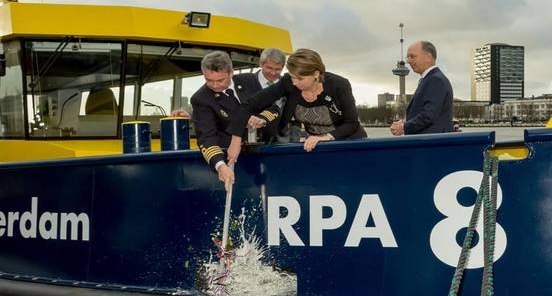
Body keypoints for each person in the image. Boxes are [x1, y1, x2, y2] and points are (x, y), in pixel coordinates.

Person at [226, 48, 367, 162]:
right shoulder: (288, 82)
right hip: (314, 146)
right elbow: (249, 105)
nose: (294, 83)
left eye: (300, 78)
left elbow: (352, 123)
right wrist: (235, 141)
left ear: (316, 74)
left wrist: (325, 137)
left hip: (348, 144)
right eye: (292, 77)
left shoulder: (339, 85)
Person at [191, 51, 278, 190]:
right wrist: (220, 165)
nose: (214, 85)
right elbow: (206, 138)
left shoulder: (250, 81)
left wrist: (261, 119)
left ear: (231, 73)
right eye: (208, 80)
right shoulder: (201, 99)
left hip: (265, 152)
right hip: (233, 159)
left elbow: (274, 109)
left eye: (220, 80)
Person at [390, 41, 453, 136]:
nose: (408, 61)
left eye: (412, 56)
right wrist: (405, 122)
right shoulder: (430, 79)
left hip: (432, 145)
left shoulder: (435, 80)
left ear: (428, 57)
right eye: (408, 57)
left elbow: (429, 115)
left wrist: (404, 127)